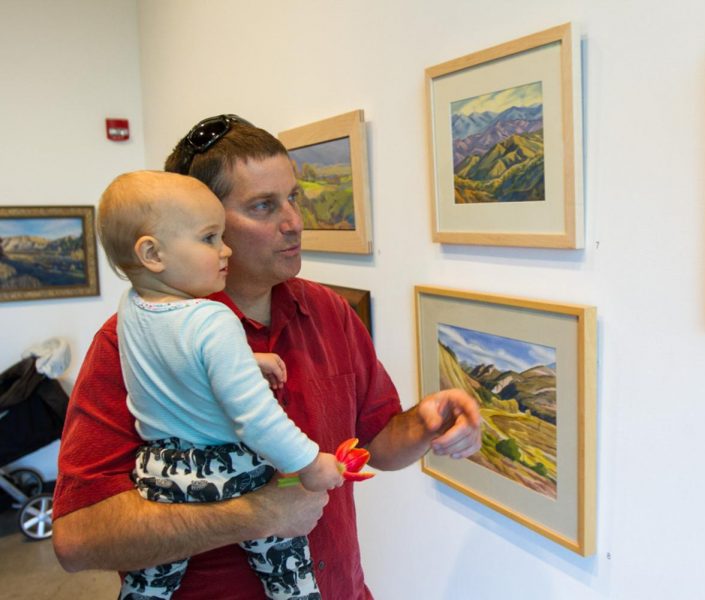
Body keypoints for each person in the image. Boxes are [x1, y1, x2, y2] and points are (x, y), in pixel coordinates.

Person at [52, 114, 482, 600]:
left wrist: (424, 424)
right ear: (202, 222)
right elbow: (78, 540)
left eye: (293, 197)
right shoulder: (129, 341)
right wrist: (257, 515)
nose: (293, 221)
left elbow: (378, 445)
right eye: (263, 205)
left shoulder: (329, 312)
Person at [97, 171, 346, 600]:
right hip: (226, 469)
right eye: (210, 238)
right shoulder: (214, 319)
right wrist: (310, 462)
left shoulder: (131, 308)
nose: (225, 248)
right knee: (287, 563)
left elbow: (173, 360)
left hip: (158, 473)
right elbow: (256, 420)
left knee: (149, 584)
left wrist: (243, 361)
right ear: (153, 253)